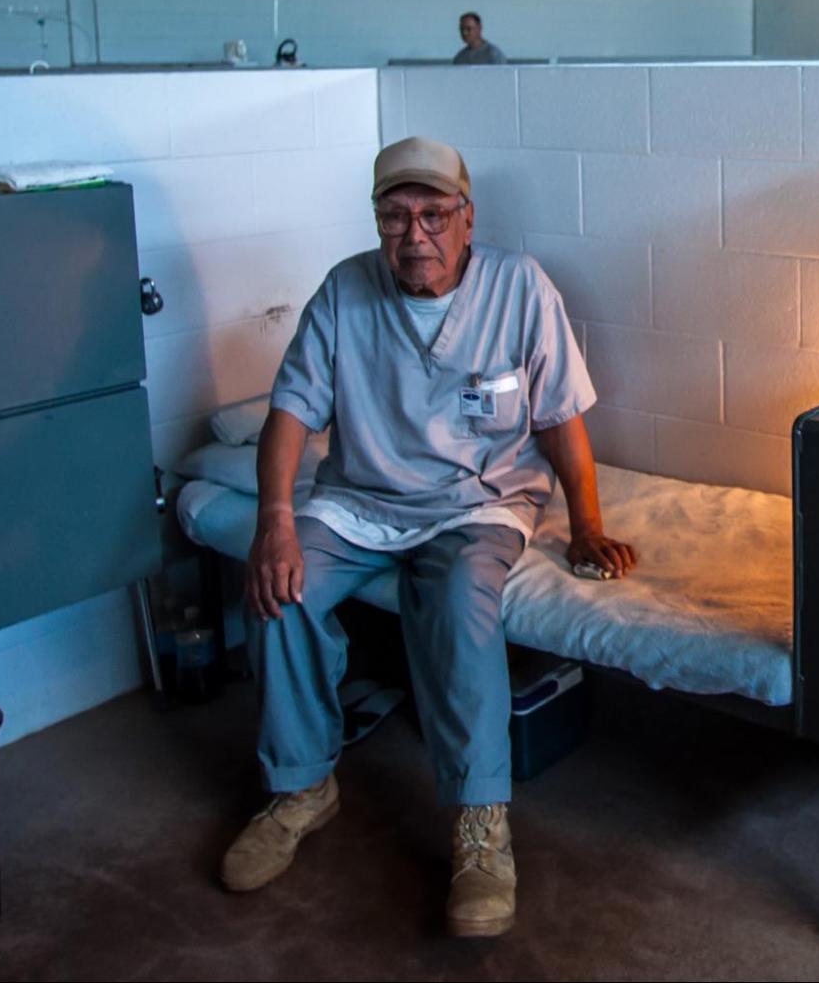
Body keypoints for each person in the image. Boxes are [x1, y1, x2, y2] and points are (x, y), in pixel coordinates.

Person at [219, 135, 637, 936]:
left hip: (476, 503)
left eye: (434, 214)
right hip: (361, 499)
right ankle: (303, 782)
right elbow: (291, 413)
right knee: (278, 589)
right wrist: (275, 522)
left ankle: (481, 826)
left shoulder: (519, 287)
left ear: (467, 218)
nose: (416, 234)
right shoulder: (345, 291)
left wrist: (586, 525)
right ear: (377, 222)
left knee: (458, 601)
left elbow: (559, 417)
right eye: (396, 215)